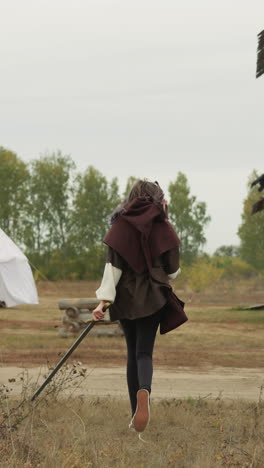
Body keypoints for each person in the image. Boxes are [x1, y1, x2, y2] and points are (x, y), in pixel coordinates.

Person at [93, 179, 187, 437]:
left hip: (124, 299)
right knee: (144, 353)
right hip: (153, 299)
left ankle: (136, 416)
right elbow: (174, 271)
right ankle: (144, 392)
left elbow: (113, 269)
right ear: (157, 198)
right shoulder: (163, 226)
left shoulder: (120, 225)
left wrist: (103, 302)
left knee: (131, 355)